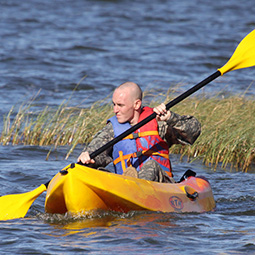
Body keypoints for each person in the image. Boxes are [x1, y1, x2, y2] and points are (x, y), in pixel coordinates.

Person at [77, 82, 201, 183]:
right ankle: (127, 186)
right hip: (124, 185)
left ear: (136, 104)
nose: (115, 110)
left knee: (151, 166)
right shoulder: (112, 129)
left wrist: (170, 118)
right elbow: (97, 151)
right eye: (114, 104)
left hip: (161, 185)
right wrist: (87, 157)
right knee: (94, 170)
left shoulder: (159, 123)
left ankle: (135, 186)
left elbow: (193, 132)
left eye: (120, 105)